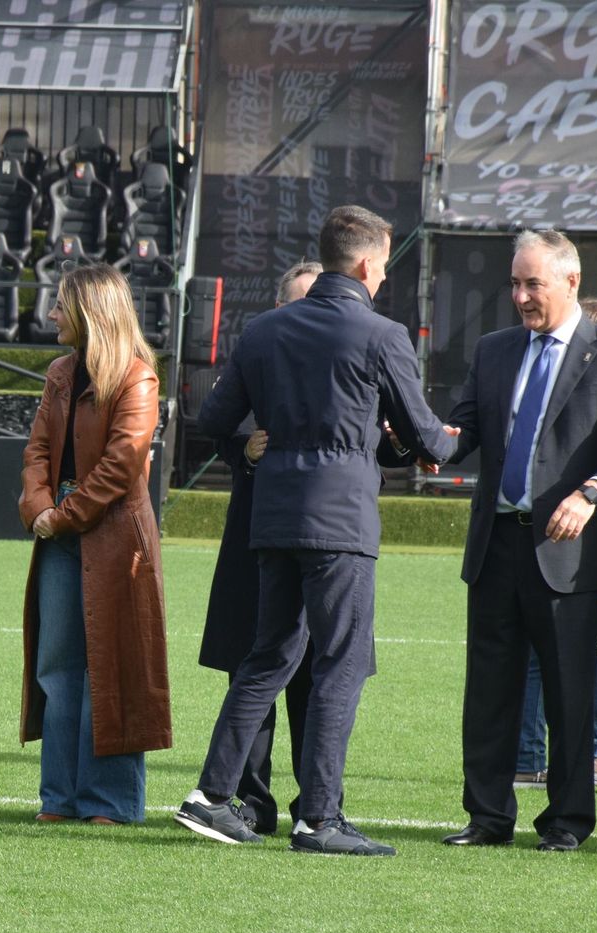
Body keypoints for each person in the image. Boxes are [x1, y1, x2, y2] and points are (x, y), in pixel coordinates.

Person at [181, 205, 456, 855]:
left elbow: (217, 417)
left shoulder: (264, 331)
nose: (383, 275)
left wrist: (263, 444)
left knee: (268, 657)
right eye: (384, 264)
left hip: (273, 519)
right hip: (340, 524)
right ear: (366, 264)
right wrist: (443, 439)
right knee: (342, 663)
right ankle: (319, 818)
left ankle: (211, 797)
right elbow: (425, 441)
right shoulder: (382, 335)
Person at [441, 230, 597, 853]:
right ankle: (487, 817)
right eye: (515, 283)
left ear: (570, 281)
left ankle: (565, 822)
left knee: (568, 691)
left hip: (568, 552)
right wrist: (417, 438)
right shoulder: (494, 349)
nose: (521, 296)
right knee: (489, 691)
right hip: (495, 546)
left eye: (533, 283)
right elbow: (462, 432)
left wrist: (591, 494)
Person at [18, 263, 172, 824]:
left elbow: (122, 465)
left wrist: (61, 516)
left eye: (60, 305)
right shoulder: (60, 372)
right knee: (58, 667)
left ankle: (109, 802)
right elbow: (36, 451)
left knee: (114, 667)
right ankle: (59, 800)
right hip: (59, 525)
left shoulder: (136, 377)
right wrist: (38, 507)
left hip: (114, 537)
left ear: (89, 313)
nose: (52, 314)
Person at [199, 260, 320, 834]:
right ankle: (252, 802)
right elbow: (217, 422)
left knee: (316, 677)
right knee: (253, 666)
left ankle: (316, 804)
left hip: (322, 543)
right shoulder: (256, 353)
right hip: (254, 537)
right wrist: (245, 448)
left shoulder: (341, 360)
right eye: (298, 303)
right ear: (278, 309)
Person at [514, 296, 597, 793]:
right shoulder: (577, 372)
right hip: (569, 546)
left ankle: (528, 759)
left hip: (560, 541)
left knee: (533, 650)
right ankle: (593, 751)